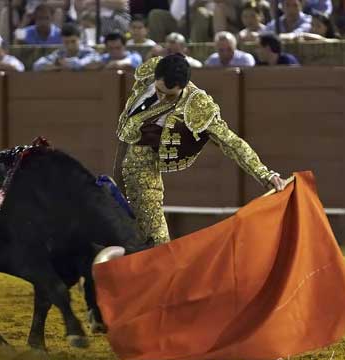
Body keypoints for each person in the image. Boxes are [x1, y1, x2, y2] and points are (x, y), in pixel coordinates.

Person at [113, 54, 285, 244]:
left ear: (183, 86)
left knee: (157, 239)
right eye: (159, 90)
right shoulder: (153, 70)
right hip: (120, 160)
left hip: (143, 171)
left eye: (169, 95)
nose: (161, 98)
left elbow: (230, 142)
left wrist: (264, 174)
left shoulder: (197, 105)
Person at [32, 23, 99, 71]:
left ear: (80, 39)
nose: (70, 46)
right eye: (66, 42)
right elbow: (37, 65)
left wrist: (63, 63)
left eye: (73, 41)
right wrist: (57, 67)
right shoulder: (60, 53)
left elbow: (80, 64)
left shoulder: (89, 52)